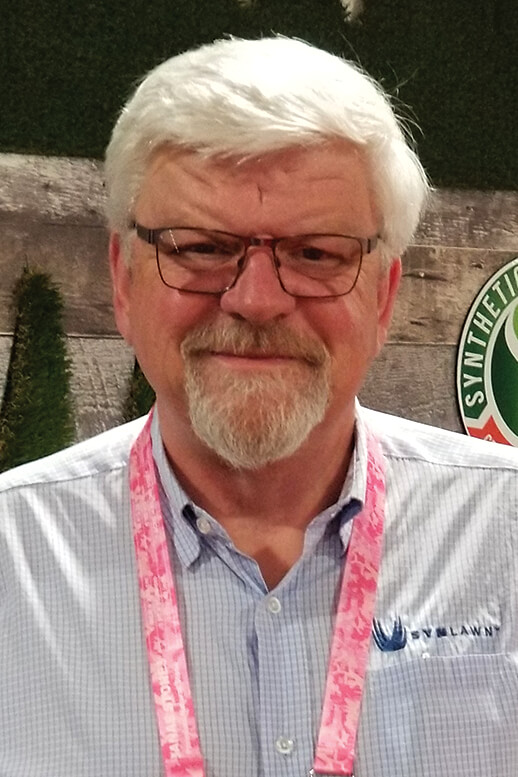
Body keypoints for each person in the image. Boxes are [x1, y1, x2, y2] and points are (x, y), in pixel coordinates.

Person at [0, 36, 517, 777]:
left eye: (317, 253)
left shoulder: (504, 533)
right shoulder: (12, 557)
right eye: (200, 246)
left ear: (384, 296)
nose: (256, 299)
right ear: (122, 279)